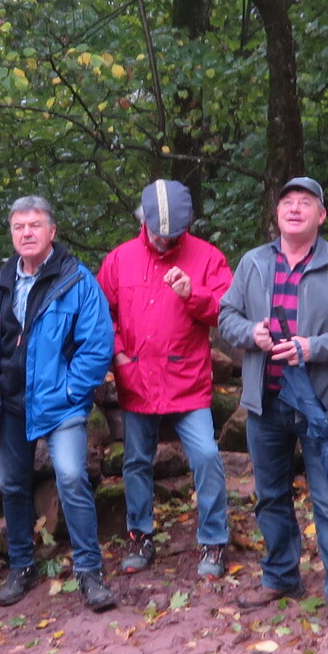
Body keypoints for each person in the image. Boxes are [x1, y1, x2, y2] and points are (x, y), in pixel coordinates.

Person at [219, 176, 328, 633]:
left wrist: (313, 347)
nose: (294, 208)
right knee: (271, 496)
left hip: (321, 405)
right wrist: (249, 333)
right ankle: (280, 577)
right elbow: (226, 315)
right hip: (266, 401)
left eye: (305, 202)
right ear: (277, 213)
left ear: (321, 215)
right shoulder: (253, 263)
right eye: (287, 202)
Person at [0, 196, 118, 612]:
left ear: (52, 231)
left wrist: (71, 392)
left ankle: (89, 572)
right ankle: (22, 566)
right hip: (10, 403)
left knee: (71, 477)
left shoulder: (76, 280)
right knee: (11, 484)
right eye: (19, 227)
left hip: (60, 404)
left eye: (35, 225)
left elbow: (97, 345)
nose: (27, 233)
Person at [97, 180, 234, 577]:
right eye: (158, 232)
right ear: (143, 221)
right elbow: (100, 314)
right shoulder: (119, 259)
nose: (163, 240)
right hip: (137, 377)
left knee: (206, 456)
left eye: (172, 235)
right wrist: (119, 354)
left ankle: (214, 541)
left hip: (186, 379)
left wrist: (193, 295)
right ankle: (139, 535)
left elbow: (227, 311)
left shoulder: (207, 257)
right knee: (136, 460)